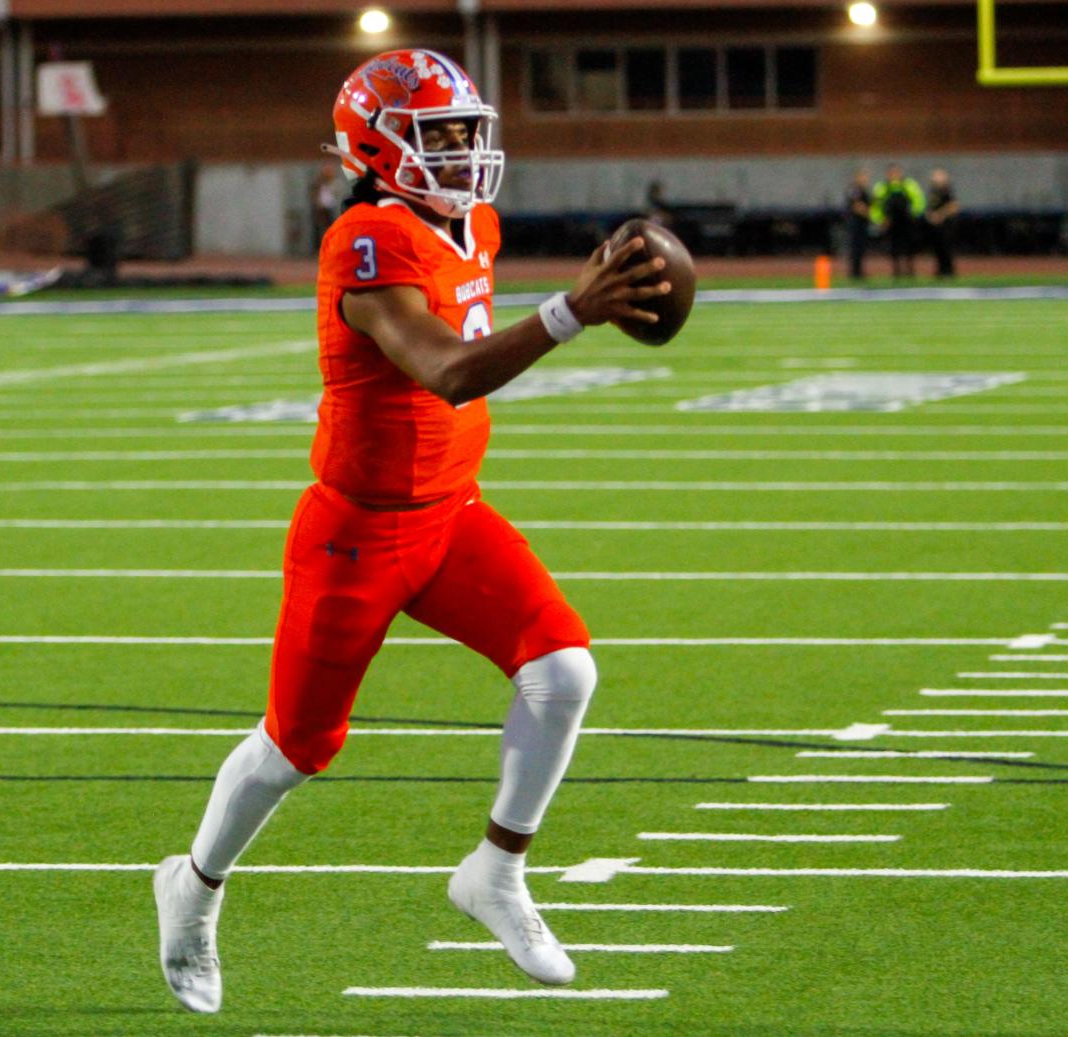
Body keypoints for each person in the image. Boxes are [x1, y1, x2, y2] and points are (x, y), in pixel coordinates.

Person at [152, 48, 668, 1014]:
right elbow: (448, 370)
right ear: (377, 147)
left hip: (450, 513)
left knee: (565, 669)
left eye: (470, 130)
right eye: (440, 135)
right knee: (297, 746)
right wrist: (571, 311)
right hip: (357, 531)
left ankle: (496, 872)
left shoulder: (471, 220)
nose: (467, 150)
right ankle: (195, 883)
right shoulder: (364, 237)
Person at [870, 163, 925, 278]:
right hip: (891, 222)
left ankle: (910, 270)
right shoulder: (882, 187)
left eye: (896, 172)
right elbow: (876, 205)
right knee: (894, 247)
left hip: (906, 221)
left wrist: (914, 215)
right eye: (892, 173)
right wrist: (880, 219)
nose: (894, 175)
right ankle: (897, 270)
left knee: (909, 246)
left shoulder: (909, 185)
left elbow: (919, 200)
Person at [924, 167, 960, 278]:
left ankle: (949, 271)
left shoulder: (947, 191)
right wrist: (930, 215)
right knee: (937, 249)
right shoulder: (933, 191)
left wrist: (940, 215)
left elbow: (954, 206)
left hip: (946, 226)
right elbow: (930, 207)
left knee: (946, 249)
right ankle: (940, 270)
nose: (935, 178)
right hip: (935, 227)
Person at [844, 168, 872, 280]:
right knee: (855, 248)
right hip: (855, 224)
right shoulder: (854, 190)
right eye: (862, 177)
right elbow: (857, 206)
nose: (864, 180)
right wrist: (868, 212)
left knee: (861, 248)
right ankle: (854, 272)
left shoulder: (864, 191)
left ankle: (859, 271)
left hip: (863, 224)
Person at [309, 160, 343, 248]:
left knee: (331, 228)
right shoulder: (318, 182)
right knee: (319, 228)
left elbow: (337, 193)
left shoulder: (335, 182)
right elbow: (314, 194)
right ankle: (318, 247)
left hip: (331, 208)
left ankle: (331, 245)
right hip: (321, 208)